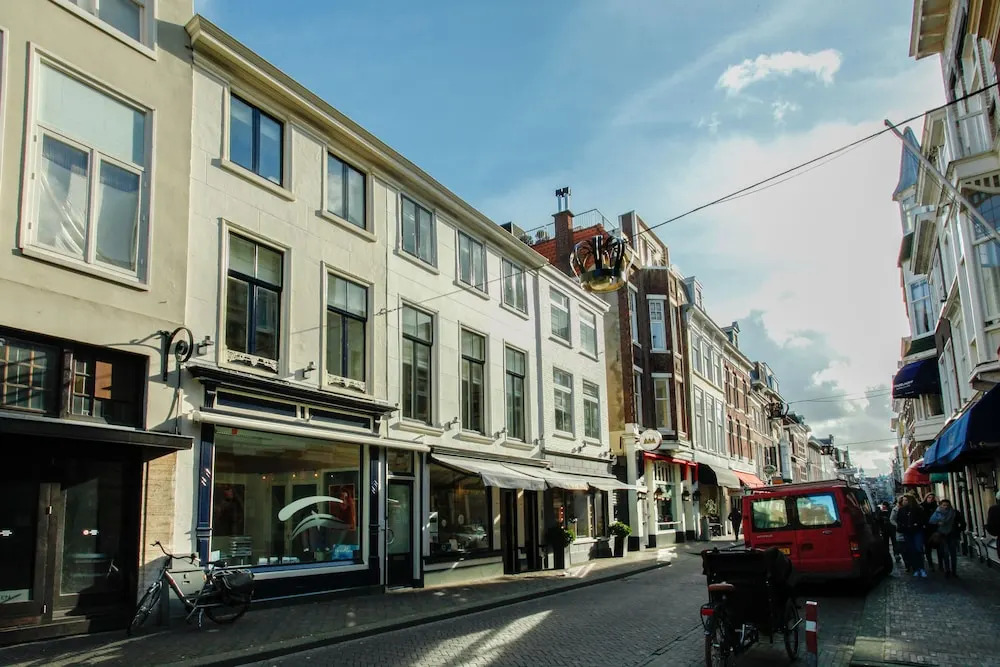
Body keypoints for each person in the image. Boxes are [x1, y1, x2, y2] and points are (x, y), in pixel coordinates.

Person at [928, 498, 966, 578]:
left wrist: (958, 530)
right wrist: (937, 525)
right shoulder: (937, 513)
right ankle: (947, 570)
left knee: (953, 553)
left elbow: (962, 522)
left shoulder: (954, 513)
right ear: (940, 506)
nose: (945, 507)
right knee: (945, 553)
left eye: (947, 505)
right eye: (944, 505)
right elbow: (931, 523)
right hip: (942, 535)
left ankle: (954, 571)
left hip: (952, 534)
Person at [897, 494, 927, 578]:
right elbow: (899, 520)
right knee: (911, 550)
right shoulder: (901, 510)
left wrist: (917, 524)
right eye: (903, 500)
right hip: (907, 532)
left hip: (917, 531)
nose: (904, 502)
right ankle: (916, 568)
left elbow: (923, 519)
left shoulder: (918, 509)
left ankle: (921, 568)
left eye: (906, 500)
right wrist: (902, 526)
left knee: (918, 549)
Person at [920, 492, 938, 571]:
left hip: (935, 529)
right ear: (926, 498)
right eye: (929, 497)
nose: (930, 499)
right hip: (926, 530)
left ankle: (941, 564)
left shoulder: (936, 507)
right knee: (928, 548)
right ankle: (930, 564)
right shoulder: (922, 507)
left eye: (932, 498)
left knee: (938, 547)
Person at [889, 497, 905, 568]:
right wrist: (897, 525)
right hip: (899, 529)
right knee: (898, 543)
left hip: (907, 529)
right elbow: (892, 519)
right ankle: (898, 555)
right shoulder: (895, 509)